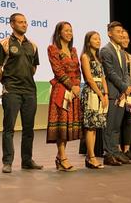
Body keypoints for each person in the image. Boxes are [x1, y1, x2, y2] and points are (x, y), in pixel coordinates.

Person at [0, 13, 43, 173]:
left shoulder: (33, 45)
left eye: (25, 22)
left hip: (30, 91)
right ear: (12, 24)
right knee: (9, 128)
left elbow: (34, 67)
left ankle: (27, 160)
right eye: (20, 22)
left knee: (29, 129)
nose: (24, 25)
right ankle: (7, 162)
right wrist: (7, 82)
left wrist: (25, 78)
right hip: (12, 90)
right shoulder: (4, 44)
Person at [46, 21, 83, 171]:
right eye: (66, 30)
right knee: (61, 125)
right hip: (61, 90)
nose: (69, 33)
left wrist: (78, 86)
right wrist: (71, 86)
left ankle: (59, 157)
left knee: (67, 126)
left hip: (73, 92)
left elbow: (78, 70)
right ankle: (62, 157)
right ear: (59, 32)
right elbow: (58, 70)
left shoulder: (73, 50)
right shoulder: (53, 49)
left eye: (71, 30)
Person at [101, 21, 131, 166]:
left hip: (122, 93)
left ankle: (115, 152)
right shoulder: (105, 50)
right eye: (118, 31)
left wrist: (126, 87)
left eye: (122, 31)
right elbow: (110, 73)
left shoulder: (121, 52)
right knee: (109, 125)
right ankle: (108, 153)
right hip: (113, 92)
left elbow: (125, 73)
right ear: (110, 33)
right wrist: (123, 87)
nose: (121, 34)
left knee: (116, 125)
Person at [79, 31, 108, 169]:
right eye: (95, 39)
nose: (98, 41)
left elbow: (103, 77)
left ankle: (91, 157)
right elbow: (89, 78)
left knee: (95, 127)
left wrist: (106, 94)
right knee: (90, 126)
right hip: (91, 92)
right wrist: (100, 94)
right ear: (88, 41)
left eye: (99, 38)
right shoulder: (85, 57)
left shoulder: (98, 58)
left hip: (101, 92)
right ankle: (90, 157)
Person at [119, 29, 131, 161]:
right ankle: (118, 149)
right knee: (118, 122)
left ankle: (126, 149)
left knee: (128, 121)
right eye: (123, 37)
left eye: (127, 37)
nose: (125, 40)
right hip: (120, 93)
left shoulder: (130, 57)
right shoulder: (116, 54)